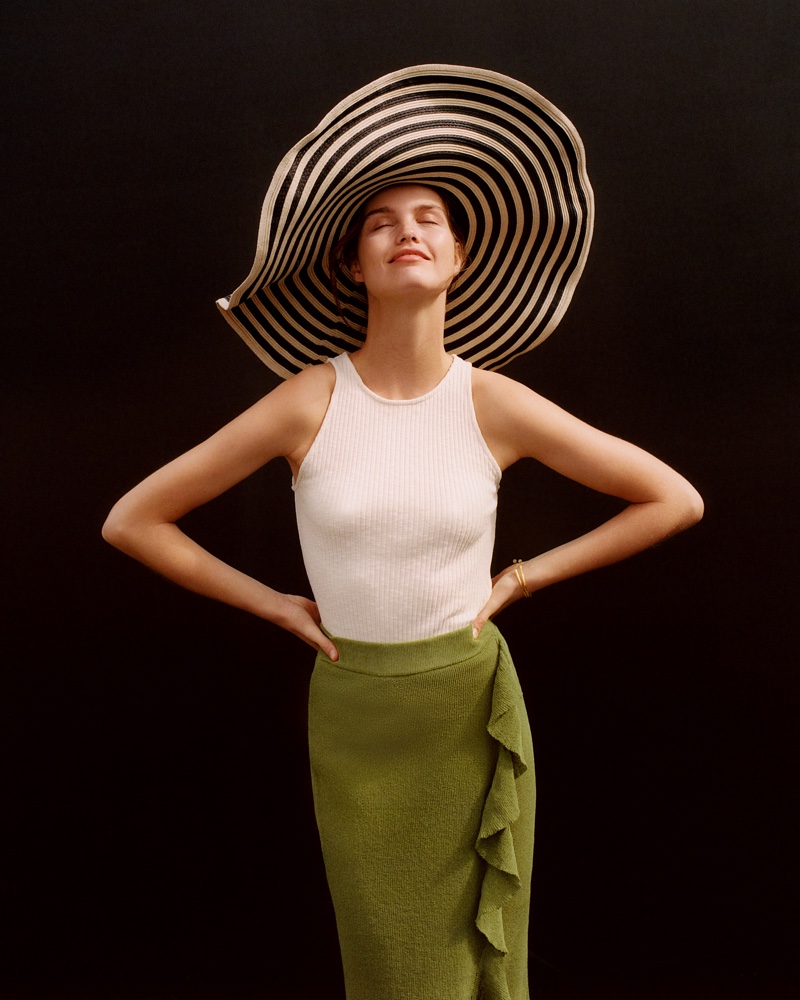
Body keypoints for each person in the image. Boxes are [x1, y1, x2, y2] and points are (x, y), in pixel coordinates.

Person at [103, 66, 702, 1000]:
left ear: (460, 255)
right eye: (381, 223)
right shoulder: (306, 400)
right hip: (356, 720)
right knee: (389, 966)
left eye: (428, 218)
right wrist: (274, 605)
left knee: (477, 963)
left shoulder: (493, 401)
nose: (407, 232)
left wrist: (525, 578)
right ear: (353, 264)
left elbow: (674, 499)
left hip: (467, 710)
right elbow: (131, 520)